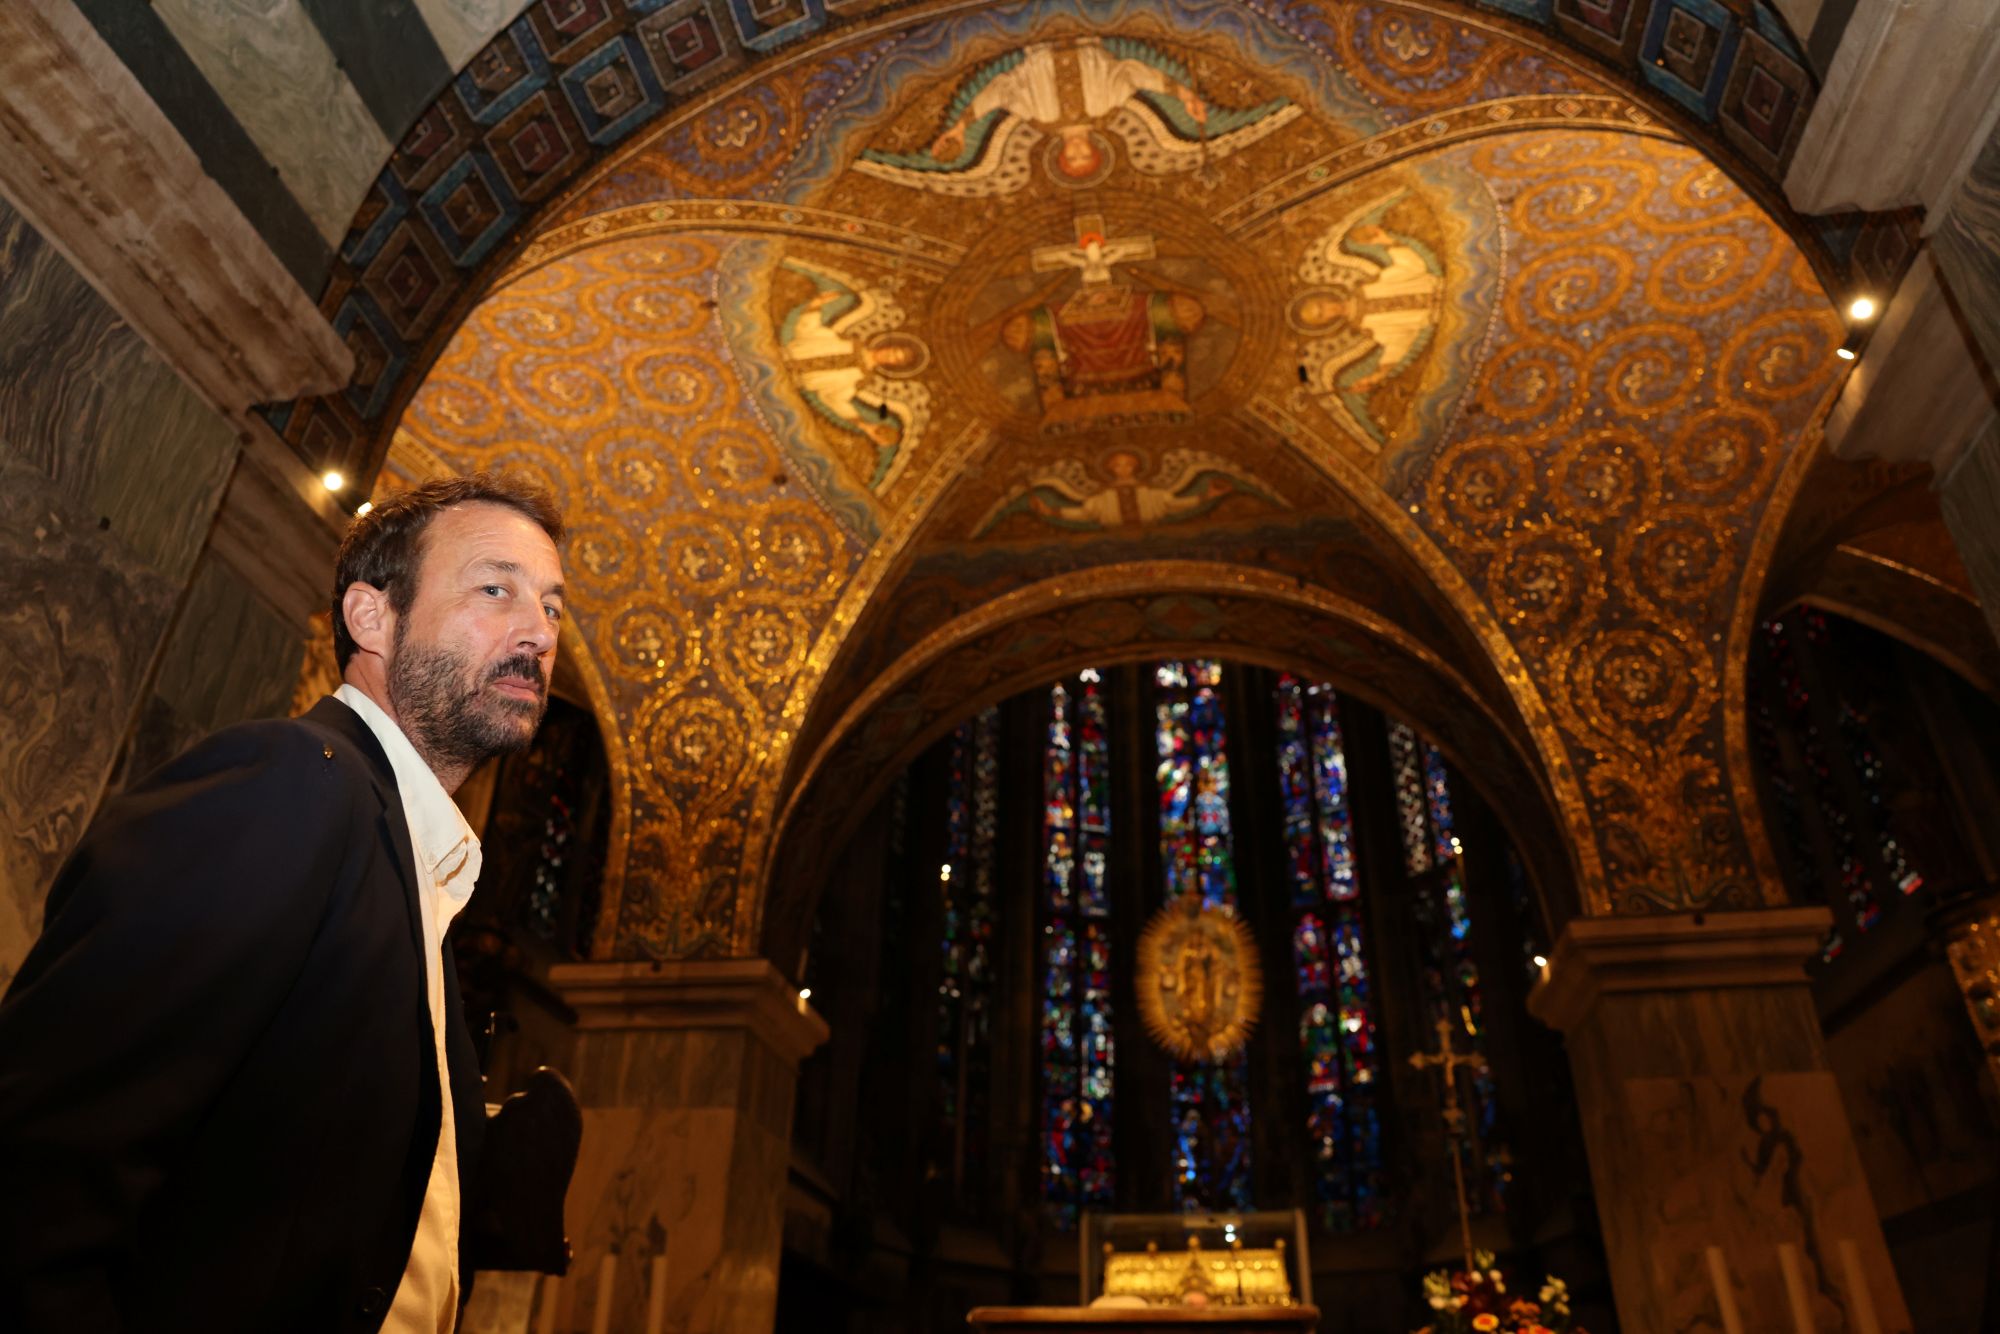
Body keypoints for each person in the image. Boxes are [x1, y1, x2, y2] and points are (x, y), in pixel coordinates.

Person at [0, 472, 568, 1332]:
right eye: (497, 590)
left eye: (553, 607)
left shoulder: (416, 878)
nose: (539, 632)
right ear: (371, 617)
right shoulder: (291, 785)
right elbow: (42, 1170)